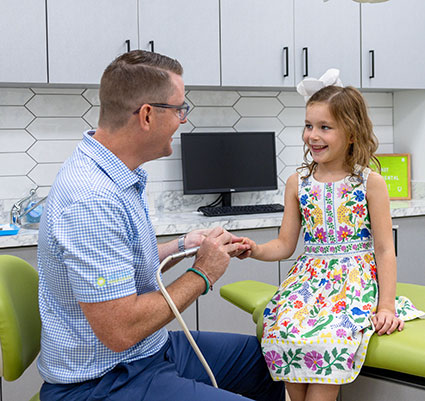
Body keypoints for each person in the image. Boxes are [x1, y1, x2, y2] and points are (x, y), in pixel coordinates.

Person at [36, 50, 285, 401]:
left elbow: (121, 263)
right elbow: (121, 330)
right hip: (104, 380)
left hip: (150, 351)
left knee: (275, 362)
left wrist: (184, 246)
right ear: (148, 115)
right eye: (180, 109)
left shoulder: (117, 175)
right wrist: (203, 273)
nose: (184, 119)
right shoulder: (91, 200)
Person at [240, 84, 424, 401]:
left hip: (354, 285)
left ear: (351, 133)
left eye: (325, 127)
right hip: (307, 285)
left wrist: (386, 306)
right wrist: (255, 250)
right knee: (280, 328)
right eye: (308, 125)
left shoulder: (370, 182)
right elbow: (284, 245)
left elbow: (384, 250)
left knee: (331, 338)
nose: (312, 135)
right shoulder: (297, 183)